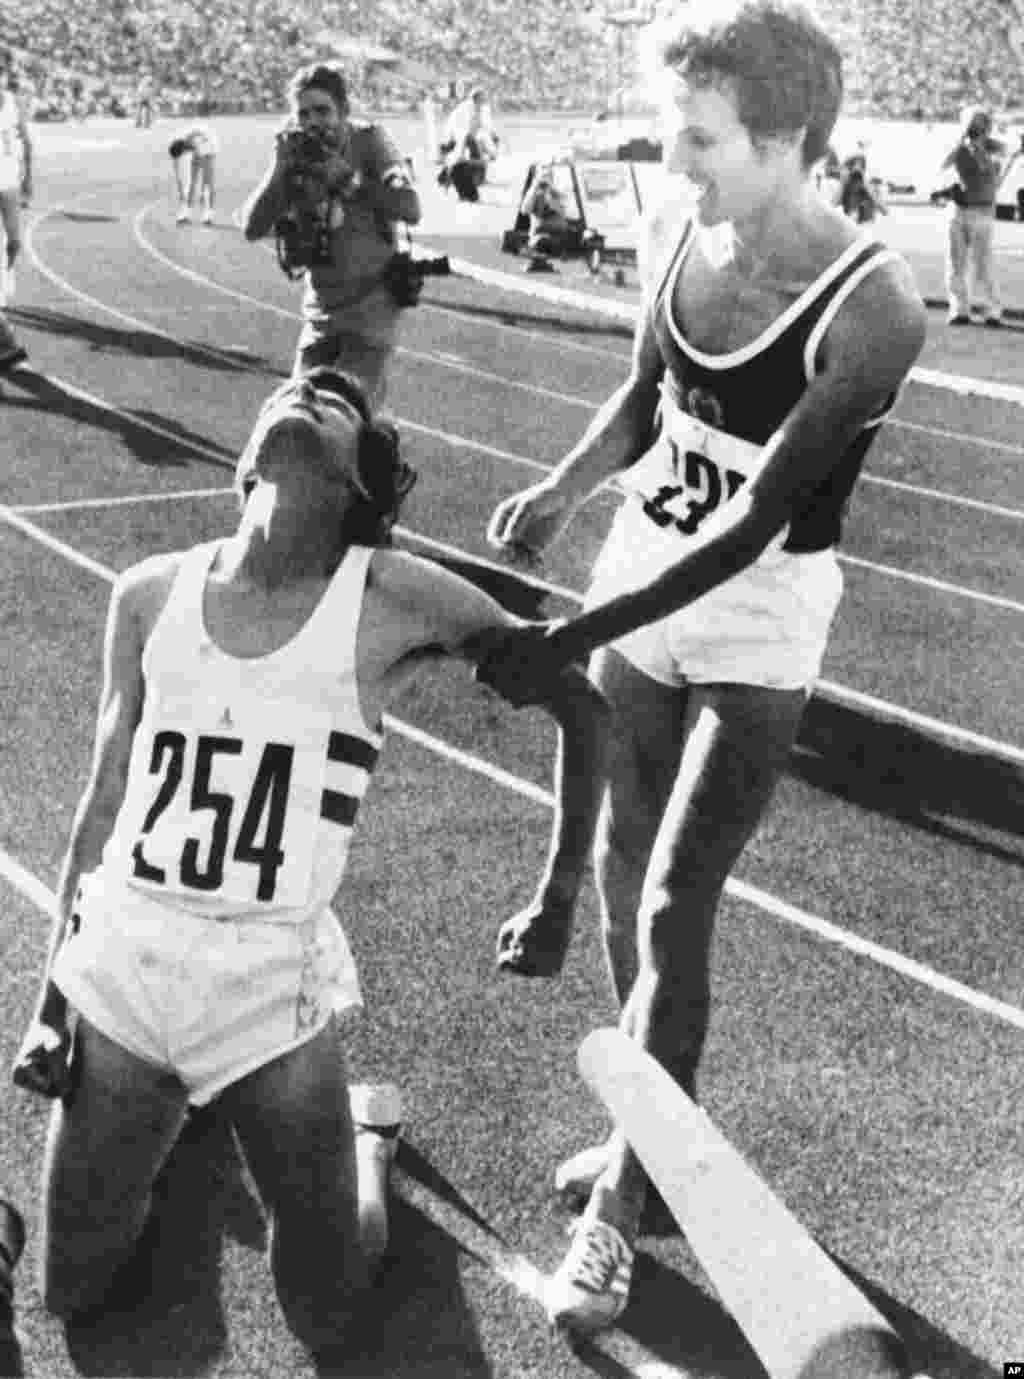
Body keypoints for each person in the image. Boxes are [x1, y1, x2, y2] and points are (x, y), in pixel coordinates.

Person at [480, 0, 926, 1334]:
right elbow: (644, 401)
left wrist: (572, 630)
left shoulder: (876, 306)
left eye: (707, 137)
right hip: (640, 574)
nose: (678, 160)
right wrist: (560, 496)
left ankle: (615, 1221)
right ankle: (656, 1143)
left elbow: (755, 524)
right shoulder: (683, 232)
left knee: (678, 900)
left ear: (792, 138)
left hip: (757, 613)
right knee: (626, 880)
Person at [10, 367, 607, 1359]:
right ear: (245, 463)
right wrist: (46, 1006)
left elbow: (578, 704)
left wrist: (557, 891)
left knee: (329, 1310)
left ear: (355, 486)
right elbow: (102, 806)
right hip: (127, 962)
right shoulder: (148, 591)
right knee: (74, 1287)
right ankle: (167, 1137)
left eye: (335, 406)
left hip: (268, 989)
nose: (306, 394)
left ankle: (364, 1154)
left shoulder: (384, 593)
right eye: (289, 393)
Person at [242, 62, 421, 404]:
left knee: (351, 419)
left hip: (372, 309)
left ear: (344, 111)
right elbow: (252, 229)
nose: (313, 122)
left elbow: (411, 208)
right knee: (295, 414)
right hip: (321, 311)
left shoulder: (370, 141)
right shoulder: (294, 154)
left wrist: (347, 181)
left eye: (323, 111)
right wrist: (278, 169)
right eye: (304, 114)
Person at [935, 105, 1005, 325]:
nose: (976, 128)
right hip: (958, 209)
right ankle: (959, 309)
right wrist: (961, 141)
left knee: (983, 264)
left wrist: (981, 147)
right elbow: (942, 164)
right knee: (956, 262)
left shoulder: (995, 149)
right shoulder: (958, 148)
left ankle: (992, 308)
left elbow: (992, 175)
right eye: (973, 123)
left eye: (980, 123)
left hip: (982, 211)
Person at [0, 49, 32, 373]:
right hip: (7, 186)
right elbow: (27, 145)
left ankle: (6, 341)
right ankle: (6, 342)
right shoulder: (11, 103)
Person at [438, 87, 499, 202]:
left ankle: (476, 178)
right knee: (465, 158)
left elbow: (486, 126)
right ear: (475, 98)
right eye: (482, 99)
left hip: (467, 137)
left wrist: (492, 139)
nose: (484, 101)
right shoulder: (466, 109)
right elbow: (462, 131)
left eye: (484, 99)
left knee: (477, 152)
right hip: (455, 137)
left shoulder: (481, 109)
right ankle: (450, 178)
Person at [520, 165, 572, 272]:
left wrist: (551, 196)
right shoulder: (533, 193)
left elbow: (564, 212)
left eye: (548, 176)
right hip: (538, 235)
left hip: (557, 235)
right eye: (543, 176)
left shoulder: (557, 193)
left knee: (548, 241)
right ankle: (538, 260)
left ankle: (544, 259)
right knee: (538, 241)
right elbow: (524, 211)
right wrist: (534, 189)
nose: (544, 181)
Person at [169, 122, 218, 225]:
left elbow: (202, 137)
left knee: (207, 184)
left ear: (184, 148)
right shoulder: (180, 142)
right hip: (198, 146)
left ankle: (208, 214)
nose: (184, 155)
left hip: (208, 147)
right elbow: (178, 174)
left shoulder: (202, 141)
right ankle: (185, 212)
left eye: (184, 153)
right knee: (191, 183)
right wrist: (181, 189)